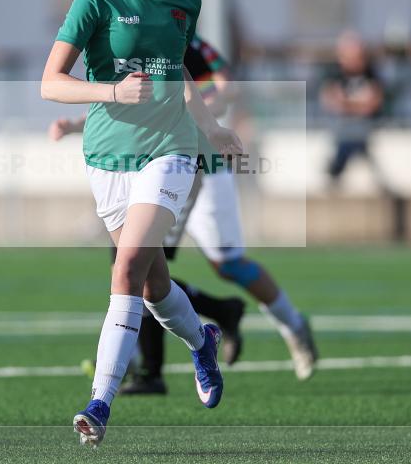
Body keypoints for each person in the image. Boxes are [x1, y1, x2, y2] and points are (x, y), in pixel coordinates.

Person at [40, 0, 243, 447]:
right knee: (153, 287)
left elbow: (175, 69)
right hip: (108, 156)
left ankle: (99, 404)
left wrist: (211, 128)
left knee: (126, 266)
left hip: (170, 150)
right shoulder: (94, 0)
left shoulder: (185, 1)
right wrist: (111, 91)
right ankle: (202, 339)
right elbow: (50, 83)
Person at [51, 34, 319, 390]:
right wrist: (74, 124)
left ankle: (292, 326)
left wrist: (203, 106)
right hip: (161, 166)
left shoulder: (182, 39)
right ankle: (137, 361)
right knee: (140, 262)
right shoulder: (131, 41)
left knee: (228, 264)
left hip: (206, 166)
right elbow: (123, 104)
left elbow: (229, 89)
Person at [319, 31, 390, 192]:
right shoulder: (333, 73)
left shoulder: (371, 74)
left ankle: (335, 170)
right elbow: (330, 100)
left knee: (353, 138)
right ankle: (339, 170)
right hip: (342, 129)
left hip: (366, 127)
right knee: (348, 138)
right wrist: (357, 104)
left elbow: (373, 102)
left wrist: (347, 104)